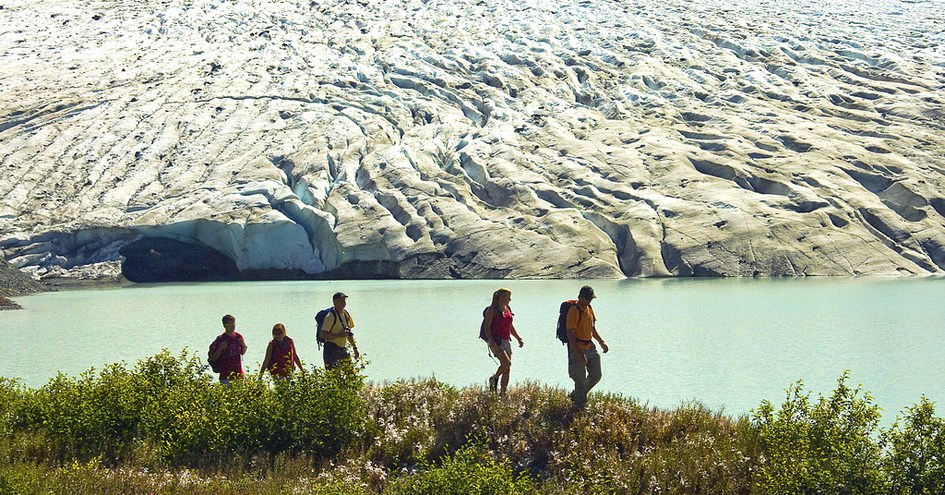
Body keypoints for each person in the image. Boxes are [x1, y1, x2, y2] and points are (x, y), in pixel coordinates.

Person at [566, 286, 609, 407]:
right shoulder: (573, 311)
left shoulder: (589, 308)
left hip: (590, 347)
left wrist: (601, 342)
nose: (589, 301)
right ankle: (579, 406)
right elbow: (570, 334)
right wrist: (579, 354)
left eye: (591, 299)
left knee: (596, 375)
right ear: (580, 297)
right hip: (577, 348)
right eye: (587, 299)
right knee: (579, 380)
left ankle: (577, 395)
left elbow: (592, 328)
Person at [483, 288, 524, 395]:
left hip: (506, 340)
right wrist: (491, 341)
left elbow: (510, 326)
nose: (509, 299)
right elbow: (487, 327)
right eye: (507, 297)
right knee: (507, 363)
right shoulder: (492, 310)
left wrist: (518, 338)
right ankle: (495, 378)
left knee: (507, 369)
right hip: (496, 341)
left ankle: (502, 394)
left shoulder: (507, 309)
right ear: (500, 298)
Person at [318, 292, 360, 369]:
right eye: (341, 300)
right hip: (331, 349)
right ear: (334, 302)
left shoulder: (346, 315)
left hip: (342, 349)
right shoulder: (330, 316)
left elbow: (349, 334)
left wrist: (355, 349)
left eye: (344, 300)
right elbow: (322, 335)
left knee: (350, 374)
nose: (343, 302)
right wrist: (339, 335)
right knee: (332, 375)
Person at [209, 314, 247, 384]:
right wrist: (220, 348)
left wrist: (243, 345)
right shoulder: (220, 339)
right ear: (224, 326)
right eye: (229, 325)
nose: (232, 326)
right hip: (225, 376)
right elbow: (213, 358)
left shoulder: (238, 337)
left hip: (238, 375)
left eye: (233, 324)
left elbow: (242, 352)